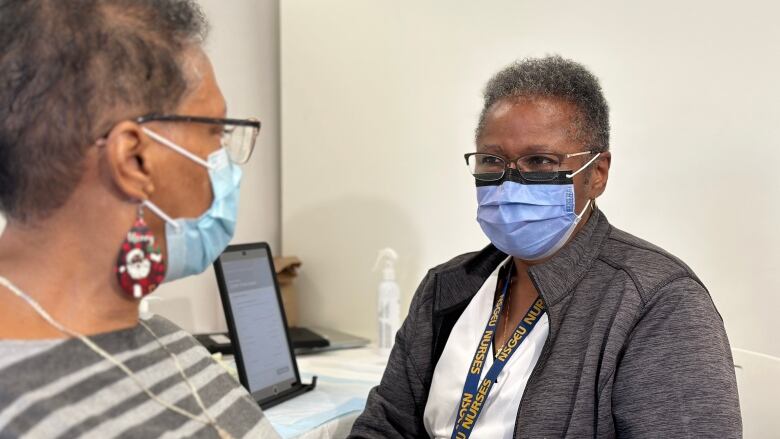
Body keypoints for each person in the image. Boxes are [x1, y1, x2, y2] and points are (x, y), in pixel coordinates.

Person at [350, 56, 742, 438]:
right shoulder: (448, 286)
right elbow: (385, 426)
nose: (509, 181)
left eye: (539, 160)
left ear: (597, 174)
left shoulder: (657, 302)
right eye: (491, 159)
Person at [0, 1, 279, 437]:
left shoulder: (166, 341)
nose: (223, 161)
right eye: (215, 132)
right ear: (134, 160)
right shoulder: (20, 413)